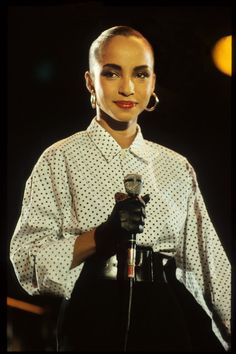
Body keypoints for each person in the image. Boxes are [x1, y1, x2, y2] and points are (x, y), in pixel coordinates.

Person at [10, 25, 231, 352]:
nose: (128, 88)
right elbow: (27, 260)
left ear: (153, 82)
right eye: (112, 73)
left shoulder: (175, 166)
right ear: (90, 81)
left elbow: (212, 267)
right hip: (91, 313)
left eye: (140, 75)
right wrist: (101, 236)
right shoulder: (60, 159)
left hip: (161, 316)